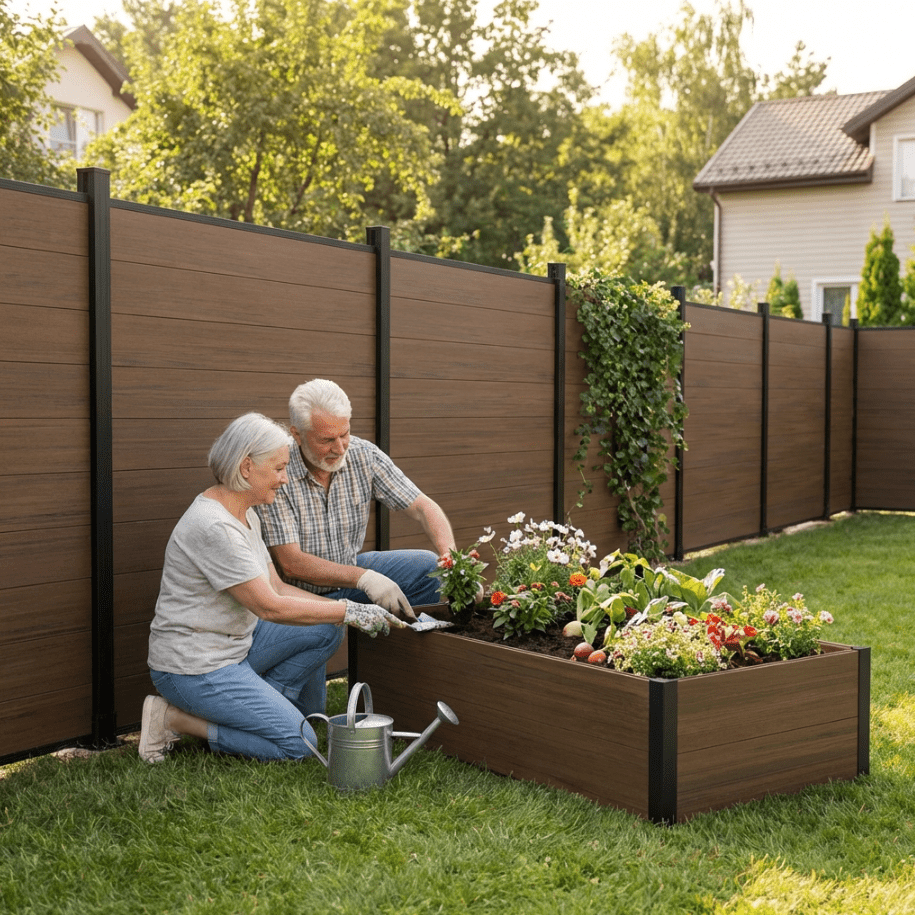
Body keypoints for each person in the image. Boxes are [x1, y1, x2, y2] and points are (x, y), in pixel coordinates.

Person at [139, 412, 407, 764]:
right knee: (301, 745)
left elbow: (277, 586)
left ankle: (264, 712)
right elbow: (270, 607)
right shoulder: (215, 527)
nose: (284, 479)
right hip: (195, 668)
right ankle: (174, 719)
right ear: (247, 467)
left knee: (326, 629)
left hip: (236, 646)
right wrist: (351, 610)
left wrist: (341, 613)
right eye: (278, 468)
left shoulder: (245, 512)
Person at [255, 379, 458, 615]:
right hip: (299, 594)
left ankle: (401, 644)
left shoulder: (363, 455)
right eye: (327, 440)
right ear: (297, 435)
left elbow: (423, 507)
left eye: (344, 434)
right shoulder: (278, 470)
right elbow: (292, 564)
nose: (340, 448)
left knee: (427, 566)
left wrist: (453, 563)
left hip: (349, 574)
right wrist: (364, 579)